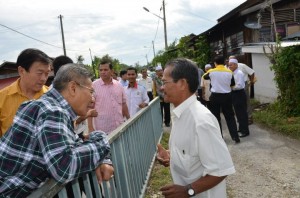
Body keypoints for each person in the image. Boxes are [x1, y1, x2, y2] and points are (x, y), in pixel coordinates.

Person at [0, 64, 114, 197]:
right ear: (73, 88)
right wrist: (102, 140)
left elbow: (75, 145)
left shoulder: (45, 105)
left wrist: (103, 158)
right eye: (91, 92)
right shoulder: (53, 111)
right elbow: (64, 167)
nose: (93, 99)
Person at [156, 58, 235, 198]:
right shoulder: (180, 114)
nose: (161, 87)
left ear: (182, 83)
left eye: (164, 82)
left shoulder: (201, 121)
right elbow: (193, 154)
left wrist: (188, 191)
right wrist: (172, 156)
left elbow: (221, 169)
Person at [0, 48, 51, 137]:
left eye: (47, 73)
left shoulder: (52, 97)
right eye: (39, 73)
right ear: (21, 71)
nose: (43, 78)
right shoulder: (2, 98)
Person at [203, 56, 240, 143]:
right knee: (230, 117)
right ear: (224, 63)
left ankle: (219, 138)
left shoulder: (211, 72)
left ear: (215, 63)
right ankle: (235, 137)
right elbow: (232, 84)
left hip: (215, 97)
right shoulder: (229, 72)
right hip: (227, 96)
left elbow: (204, 77)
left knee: (216, 117)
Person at [88, 61, 130, 134]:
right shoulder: (94, 86)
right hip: (103, 129)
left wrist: (129, 120)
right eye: (101, 70)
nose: (103, 72)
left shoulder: (119, 85)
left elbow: (123, 104)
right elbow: (90, 107)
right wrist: (90, 127)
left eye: (105, 70)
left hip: (119, 126)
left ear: (112, 71)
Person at [229, 55, 255, 124]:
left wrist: (251, 82)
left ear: (235, 61)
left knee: (246, 101)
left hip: (244, 85)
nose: (230, 63)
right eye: (229, 61)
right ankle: (240, 118)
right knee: (237, 103)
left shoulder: (242, 66)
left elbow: (252, 72)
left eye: (232, 60)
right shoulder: (229, 68)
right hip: (234, 86)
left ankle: (249, 117)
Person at [228, 58, 250, 138]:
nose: (229, 66)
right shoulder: (232, 73)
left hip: (239, 93)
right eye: (229, 64)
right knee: (237, 112)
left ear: (236, 65)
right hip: (234, 94)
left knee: (242, 113)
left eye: (231, 64)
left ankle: (245, 131)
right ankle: (241, 128)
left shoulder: (239, 73)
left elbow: (240, 85)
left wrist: (230, 87)